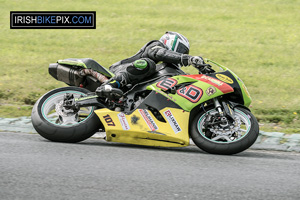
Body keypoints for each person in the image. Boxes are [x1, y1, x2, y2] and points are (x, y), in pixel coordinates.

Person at [96, 31, 204, 99]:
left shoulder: (165, 67)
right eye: (180, 50)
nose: (180, 54)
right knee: (147, 64)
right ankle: (109, 85)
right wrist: (186, 58)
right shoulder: (156, 46)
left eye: (183, 53)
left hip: (135, 82)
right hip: (119, 70)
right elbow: (159, 53)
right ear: (171, 42)